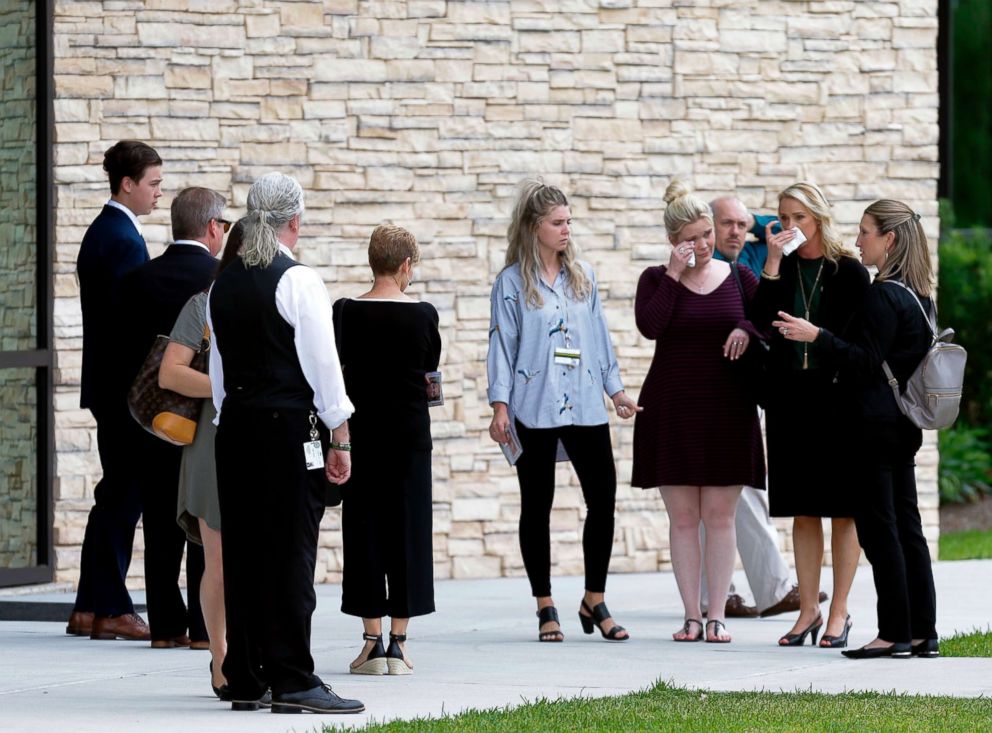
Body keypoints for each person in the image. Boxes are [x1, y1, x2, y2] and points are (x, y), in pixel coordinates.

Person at [208, 172, 363, 714]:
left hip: (236, 433)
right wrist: (340, 435)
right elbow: (325, 367)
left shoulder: (220, 284)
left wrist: (231, 423)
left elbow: (220, 372)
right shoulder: (297, 280)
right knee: (291, 553)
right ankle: (294, 677)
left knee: (246, 553)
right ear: (294, 221)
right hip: (288, 430)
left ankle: (246, 676)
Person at [773, 200, 940, 659]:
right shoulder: (919, 294)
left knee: (881, 529)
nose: (858, 238)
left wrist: (817, 337)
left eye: (866, 231)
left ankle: (894, 633)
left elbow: (865, 362)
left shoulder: (883, 294)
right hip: (902, 424)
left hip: (871, 427)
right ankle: (923, 632)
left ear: (889, 239)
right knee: (908, 528)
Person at [487, 179, 640, 643]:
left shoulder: (584, 277)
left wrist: (616, 393)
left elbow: (598, 338)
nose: (566, 229)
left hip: (585, 402)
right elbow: (502, 345)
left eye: (569, 221)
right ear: (534, 227)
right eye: (557, 222)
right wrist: (499, 406)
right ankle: (545, 604)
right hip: (533, 407)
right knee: (537, 506)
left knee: (604, 500)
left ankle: (595, 597)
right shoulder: (511, 283)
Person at [631, 181, 765, 644]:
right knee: (684, 518)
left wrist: (747, 328)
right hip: (672, 409)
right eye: (693, 237)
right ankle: (691, 615)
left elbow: (768, 319)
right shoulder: (654, 280)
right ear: (674, 241)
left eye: (708, 233)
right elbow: (651, 326)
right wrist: (673, 274)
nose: (705, 244)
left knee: (722, 518)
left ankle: (717, 616)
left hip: (728, 409)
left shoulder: (742, 279)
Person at [752, 182, 870, 649]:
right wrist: (773, 265)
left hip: (838, 403)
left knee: (844, 510)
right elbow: (761, 322)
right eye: (782, 219)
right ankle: (807, 610)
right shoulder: (779, 269)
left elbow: (859, 348)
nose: (789, 227)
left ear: (818, 218)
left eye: (798, 217)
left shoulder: (849, 273)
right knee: (803, 510)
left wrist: (815, 334)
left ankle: (839, 610)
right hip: (790, 403)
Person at [701, 195, 827, 619]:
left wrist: (752, 221)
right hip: (709, 393)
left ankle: (759, 590)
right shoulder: (704, 262)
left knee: (744, 487)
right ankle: (729, 593)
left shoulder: (756, 253)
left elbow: (792, 229)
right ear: (707, 227)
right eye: (726, 225)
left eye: (741, 224)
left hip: (748, 390)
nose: (735, 231)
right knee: (712, 492)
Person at [117, 187, 229, 648]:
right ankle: (206, 631)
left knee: (160, 522)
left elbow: (120, 354)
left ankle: (165, 627)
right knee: (203, 520)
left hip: (152, 421)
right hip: (204, 421)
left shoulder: (136, 279)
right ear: (211, 228)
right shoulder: (219, 283)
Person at [333, 225, 442, 676]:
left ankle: (370, 644)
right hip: (410, 441)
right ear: (405, 266)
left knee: (364, 535)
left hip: (361, 439)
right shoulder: (423, 315)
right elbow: (430, 374)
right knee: (409, 535)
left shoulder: (344, 312)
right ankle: (399, 645)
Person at [69, 141, 162, 641]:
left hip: (108, 386)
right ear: (127, 183)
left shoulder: (109, 232)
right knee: (125, 496)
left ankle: (89, 606)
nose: (158, 193)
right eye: (152, 183)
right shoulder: (121, 239)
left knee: (114, 494)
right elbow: (130, 323)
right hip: (123, 390)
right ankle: (110, 608)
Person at [160, 219, 245, 697]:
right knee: (217, 559)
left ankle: (254, 654)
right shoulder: (204, 304)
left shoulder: (278, 298)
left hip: (261, 438)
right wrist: (228, 389)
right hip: (213, 441)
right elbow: (171, 373)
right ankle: (221, 657)